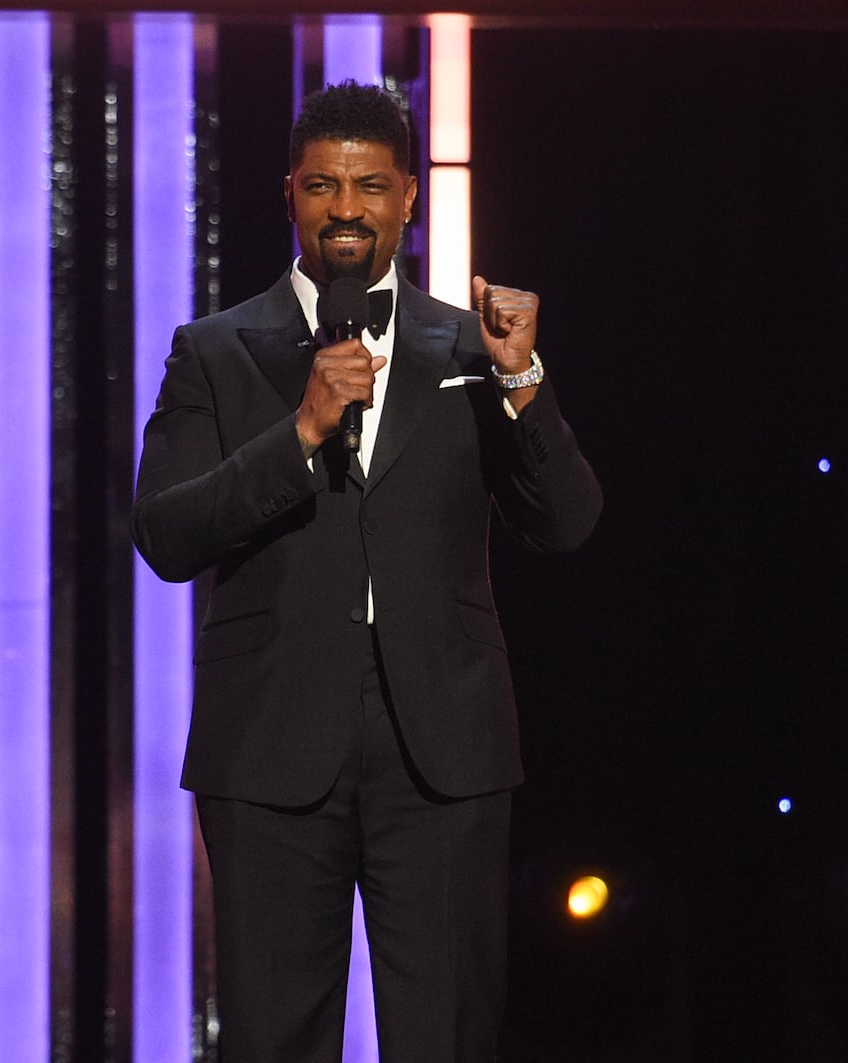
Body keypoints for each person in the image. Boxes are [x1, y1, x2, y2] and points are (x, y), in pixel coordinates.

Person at [131, 80, 602, 1062]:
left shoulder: (473, 349)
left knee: (446, 1035)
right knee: (270, 1037)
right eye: (323, 185)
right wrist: (299, 433)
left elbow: (566, 522)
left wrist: (523, 381)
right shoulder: (213, 352)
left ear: (407, 200)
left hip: (441, 749)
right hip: (267, 743)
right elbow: (167, 535)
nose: (347, 208)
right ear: (291, 195)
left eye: (371, 186)